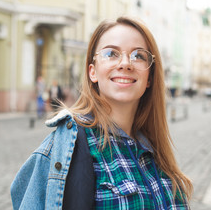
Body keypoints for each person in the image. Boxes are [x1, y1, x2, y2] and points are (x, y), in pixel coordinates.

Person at [11, 16, 193, 209]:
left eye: (138, 55)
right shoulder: (66, 145)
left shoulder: (153, 150)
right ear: (93, 72)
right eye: (111, 53)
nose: (125, 63)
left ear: (149, 77)